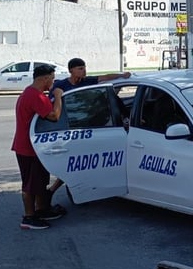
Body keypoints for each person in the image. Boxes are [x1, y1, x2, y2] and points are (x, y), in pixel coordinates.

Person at [46, 57, 132, 203]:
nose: (83, 71)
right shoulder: (61, 86)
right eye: (80, 68)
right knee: (72, 164)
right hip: (72, 128)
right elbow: (53, 105)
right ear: (71, 70)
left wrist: (122, 75)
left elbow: (105, 77)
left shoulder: (88, 82)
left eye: (84, 67)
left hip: (90, 126)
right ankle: (53, 191)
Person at [11, 64, 64, 230]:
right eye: (52, 79)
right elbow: (54, 116)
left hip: (32, 145)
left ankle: (42, 210)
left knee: (40, 181)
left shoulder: (31, 92)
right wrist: (58, 96)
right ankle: (29, 217)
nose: (53, 82)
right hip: (29, 148)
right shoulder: (36, 96)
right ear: (45, 79)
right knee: (30, 184)